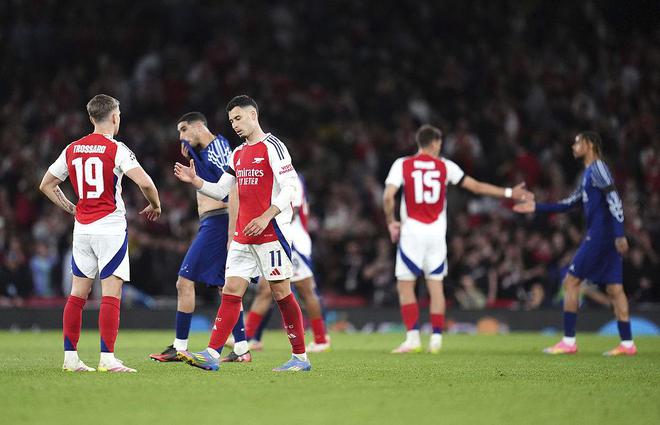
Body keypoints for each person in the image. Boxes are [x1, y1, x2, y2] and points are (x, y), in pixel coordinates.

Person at [173, 95, 311, 372]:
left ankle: (300, 357)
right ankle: (211, 354)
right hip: (242, 235)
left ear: (253, 115)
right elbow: (221, 190)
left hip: (271, 232)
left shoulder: (273, 146)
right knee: (231, 290)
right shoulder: (237, 153)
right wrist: (196, 181)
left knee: (281, 292)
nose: (234, 124)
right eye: (231, 120)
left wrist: (266, 215)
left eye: (238, 118)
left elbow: (290, 188)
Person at [39, 94, 161, 372]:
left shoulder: (72, 148)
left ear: (91, 117)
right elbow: (146, 183)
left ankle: (71, 358)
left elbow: (46, 184)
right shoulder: (116, 148)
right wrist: (156, 205)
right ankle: (107, 358)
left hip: (82, 229)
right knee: (111, 293)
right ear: (115, 117)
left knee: (77, 294)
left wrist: (72, 208)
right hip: (110, 228)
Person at [383, 124, 531, 354]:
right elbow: (476, 187)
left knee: (406, 286)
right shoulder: (445, 166)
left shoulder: (402, 164)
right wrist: (509, 193)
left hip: (412, 232)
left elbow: (388, 196)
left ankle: (412, 339)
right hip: (436, 235)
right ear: (434, 143)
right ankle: (436, 340)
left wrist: (391, 221)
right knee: (436, 287)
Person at [514, 132, 636, 356]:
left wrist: (620, 234)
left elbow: (614, 198)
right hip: (605, 236)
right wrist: (537, 207)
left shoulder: (598, 168)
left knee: (570, 282)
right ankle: (628, 344)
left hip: (600, 236)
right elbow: (569, 204)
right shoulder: (588, 174)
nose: (573, 146)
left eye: (578, 142)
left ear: (589, 144)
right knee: (614, 289)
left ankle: (569, 341)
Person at [149, 112, 250, 363]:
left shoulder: (217, 149)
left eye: (183, 130)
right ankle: (241, 349)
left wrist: (231, 232)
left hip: (219, 223)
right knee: (226, 288)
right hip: (214, 222)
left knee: (184, 281)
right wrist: (192, 157)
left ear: (198, 127)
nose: (181, 137)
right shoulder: (209, 151)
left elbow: (232, 188)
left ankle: (179, 347)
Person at [244, 175, 331, 353]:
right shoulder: (271, 177)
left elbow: (293, 210)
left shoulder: (291, 177)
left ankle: (321, 339)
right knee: (265, 288)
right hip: (276, 239)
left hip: (294, 242)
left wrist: (264, 219)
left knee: (305, 290)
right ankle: (246, 339)